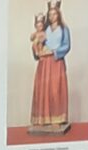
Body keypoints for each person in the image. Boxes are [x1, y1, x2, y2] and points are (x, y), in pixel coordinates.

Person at [28, 1, 73, 137]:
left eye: (54, 14)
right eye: (50, 14)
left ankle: (56, 119)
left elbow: (66, 45)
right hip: (44, 64)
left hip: (56, 62)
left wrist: (55, 52)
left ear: (58, 14)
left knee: (55, 89)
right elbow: (38, 43)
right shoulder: (45, 29)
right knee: (43, 89)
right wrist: (37, 49)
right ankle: (42, 119)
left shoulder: (64, 29)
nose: (52, 16)